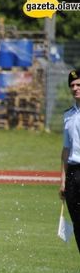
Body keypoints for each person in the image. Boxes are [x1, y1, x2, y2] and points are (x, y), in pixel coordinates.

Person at [60, 69, 80, 253]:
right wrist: (63, 180)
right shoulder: (68, 115)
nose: (75, 88)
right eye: (72, 85)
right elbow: (66, 150)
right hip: (74, 173)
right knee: (77, 221)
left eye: (78, 84)